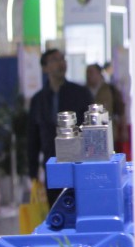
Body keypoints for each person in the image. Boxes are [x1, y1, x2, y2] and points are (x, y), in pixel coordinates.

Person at [27, 47, 94, 183]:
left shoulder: (80, 93)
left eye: (62, 59)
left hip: (78, 163)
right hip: (50, 162)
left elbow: (91, 129)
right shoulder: (38, 100)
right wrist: (33, 171)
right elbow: (33, 138)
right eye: (54, 60)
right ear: (45, 68)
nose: (60, 63)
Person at [85, 61, 129, 152]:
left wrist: (124, 130)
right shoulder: (82, 91)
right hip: (89, 135)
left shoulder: (110, 89)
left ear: (99, 74)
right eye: (87, 73)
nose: (88, 76)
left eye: (91, 72)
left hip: (109, 133)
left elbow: (121, 110)